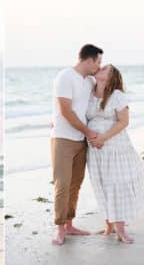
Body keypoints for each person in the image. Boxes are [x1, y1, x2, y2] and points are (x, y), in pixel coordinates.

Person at [50, 44, 103, 245]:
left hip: (80, 141)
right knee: (62, 184)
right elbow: (65, 110)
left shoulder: (89, 81)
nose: (99, 66)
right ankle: (60, 228)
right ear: (89, 61)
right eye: (98, 62)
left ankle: (70, 224)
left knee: (75, 185)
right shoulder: (65, 76)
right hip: (63, 138)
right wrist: (89, 132)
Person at [87, 64, 144, 243]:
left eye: (105, 69)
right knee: (101, 185)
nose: (100, 68)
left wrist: (103, 137)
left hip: (115, 148)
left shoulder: (117, 95)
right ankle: (109, 224)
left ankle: (121, 229)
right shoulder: (89, 93)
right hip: (96, 152)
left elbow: (123, 122)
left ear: (111, 77)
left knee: (116, 185)